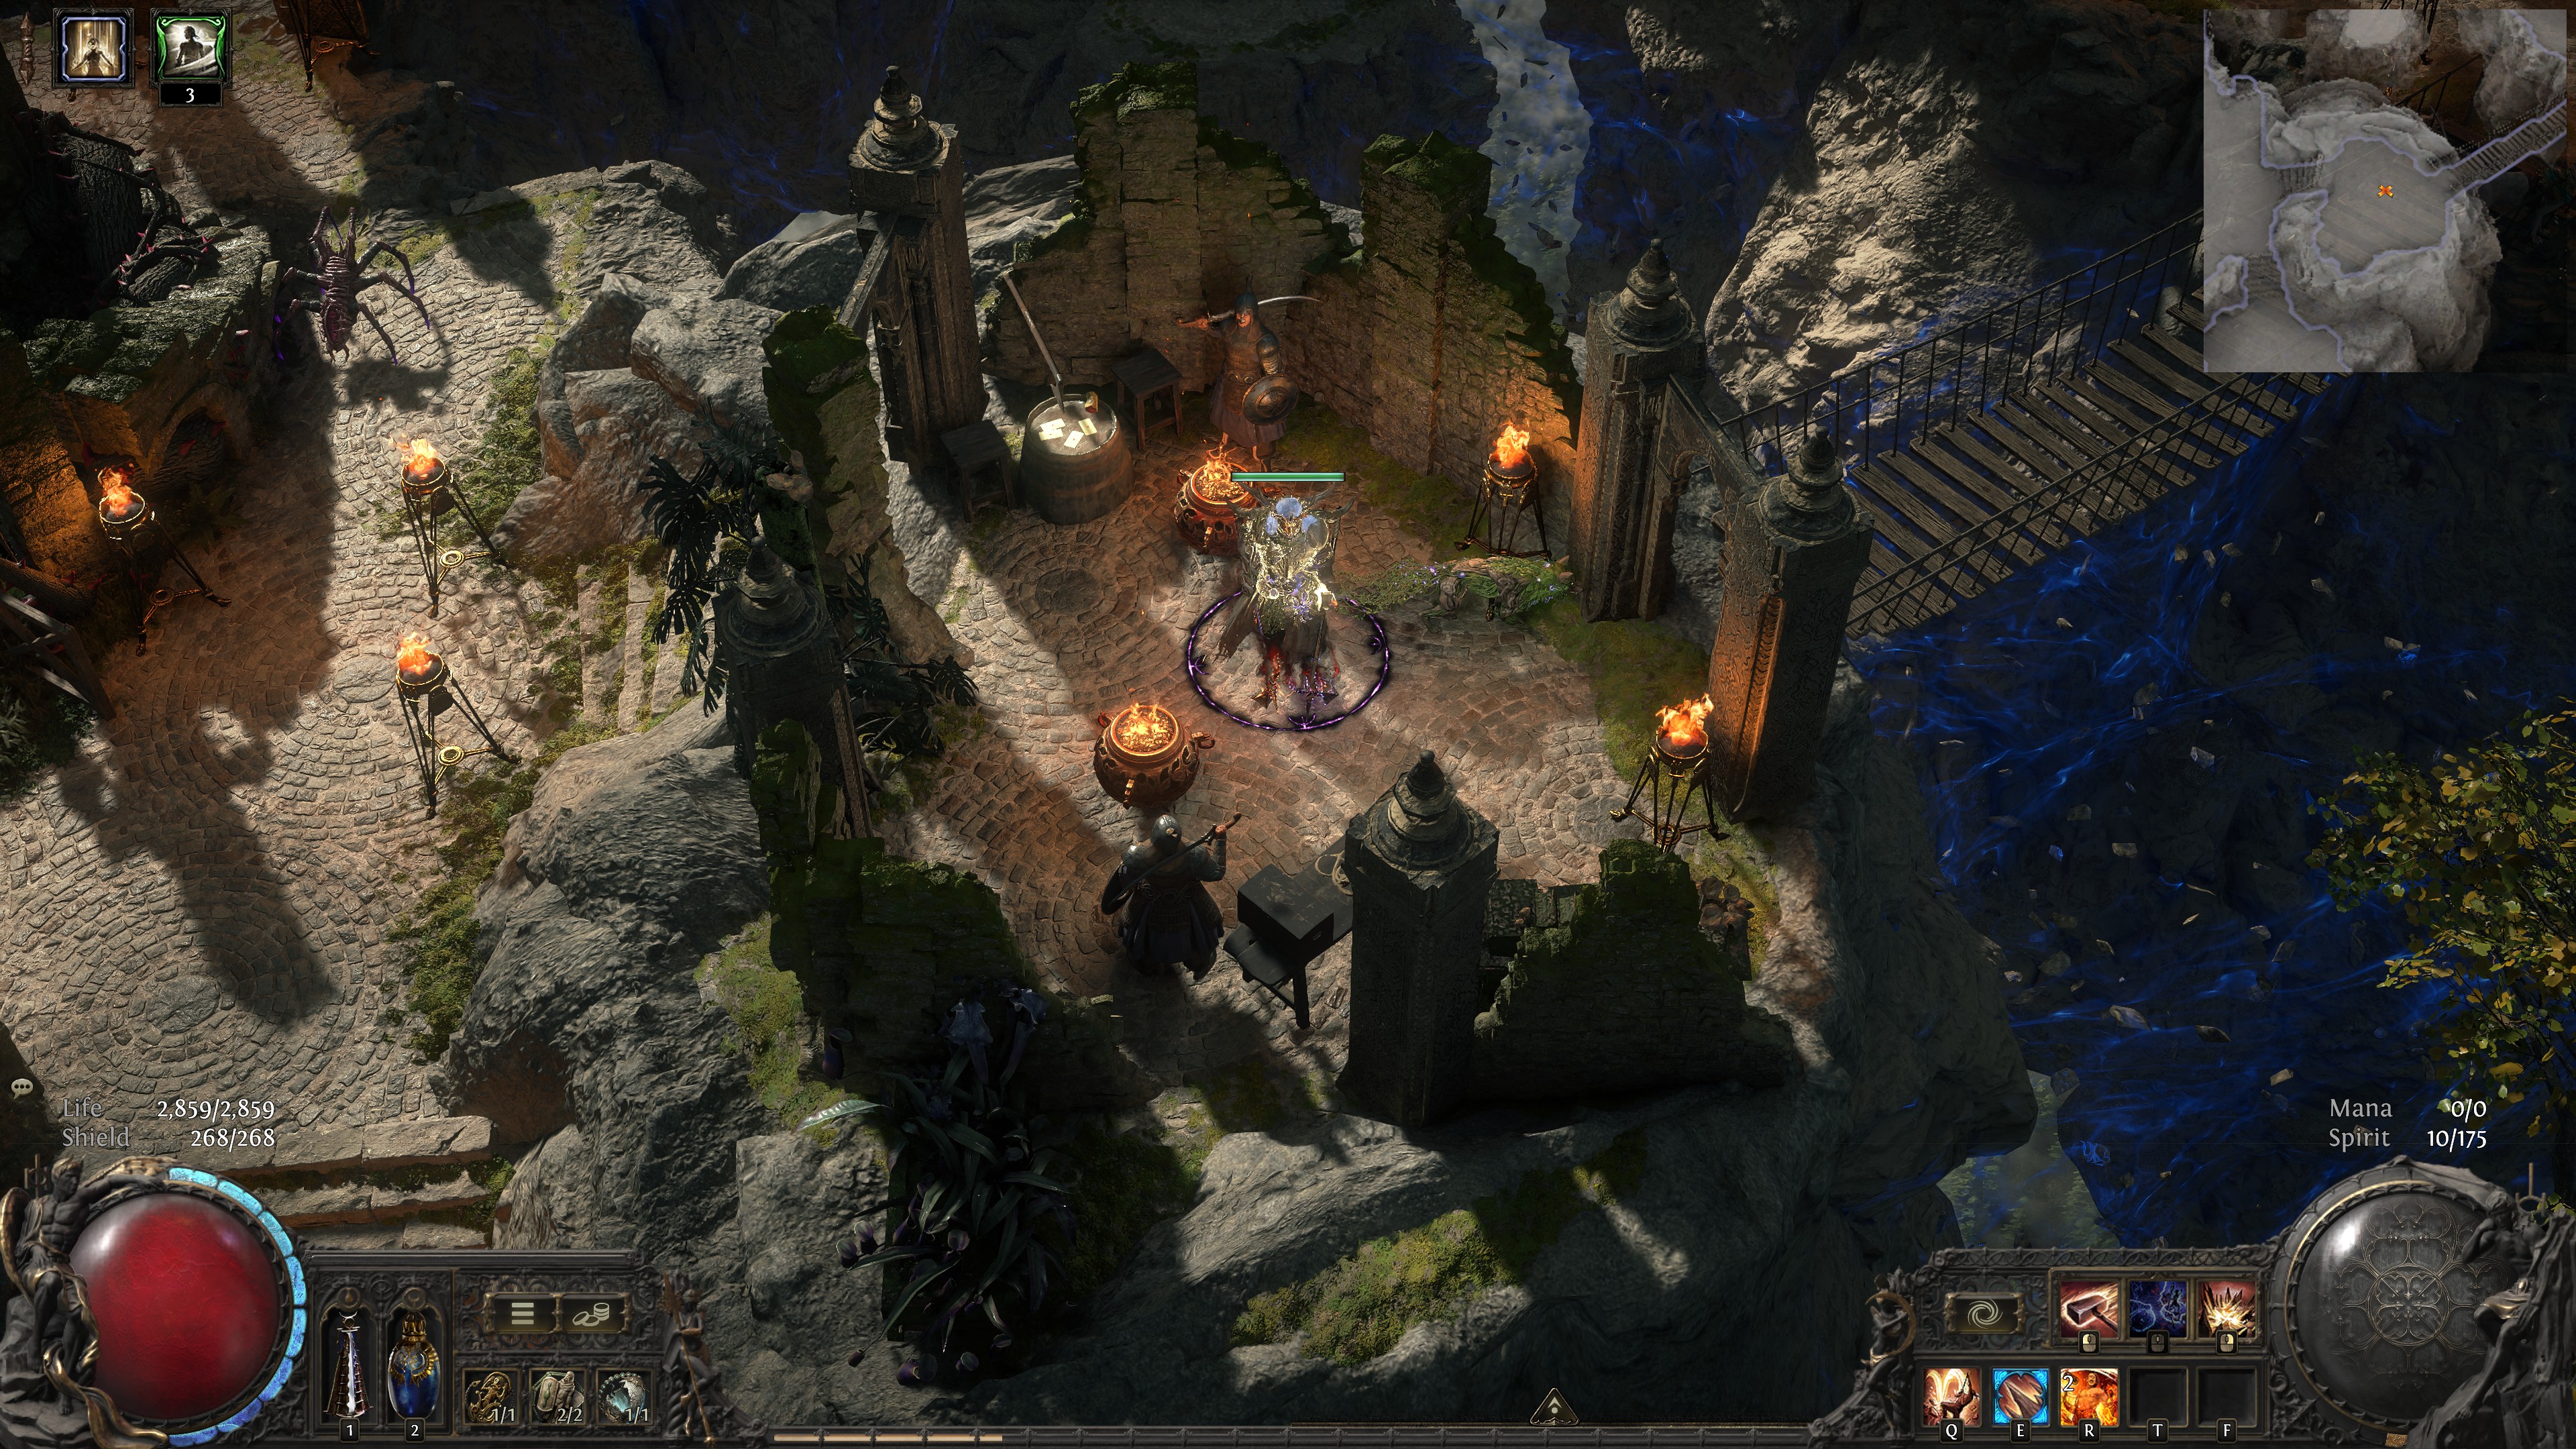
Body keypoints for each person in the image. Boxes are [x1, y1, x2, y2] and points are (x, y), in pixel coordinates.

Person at [1100, 814, 1232, 979]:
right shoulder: (1195, 854)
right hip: (1189, 903)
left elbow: (1126, 880)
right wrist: (1221, 839)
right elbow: (1217, 872)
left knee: (1143, 938)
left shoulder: (1135, 856)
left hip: (1149, 903)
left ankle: (1147, 965)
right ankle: (1199, 963)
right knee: (1197, 937)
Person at [1178, 292, 1296, 460]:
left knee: (1259, 427)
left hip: (1253, 389)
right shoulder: (1228, 327)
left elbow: (1273, 375)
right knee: (1228, 416)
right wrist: (1206, 327)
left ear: (1253, 314)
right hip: (1230, 381)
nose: (1241, 318)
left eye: (1246, 314)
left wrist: (1272, 398)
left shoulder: (1265, 342)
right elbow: (1217, 332)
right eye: (1239, 314)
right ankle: (1227, 442)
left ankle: (1263, 455)